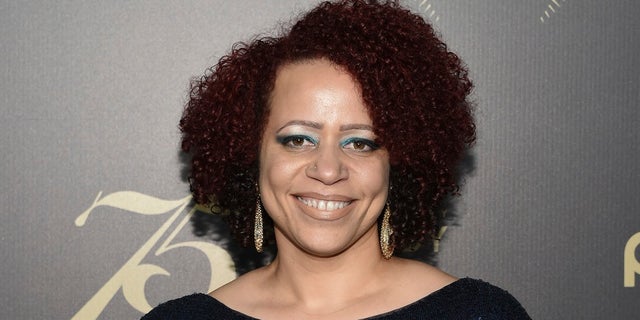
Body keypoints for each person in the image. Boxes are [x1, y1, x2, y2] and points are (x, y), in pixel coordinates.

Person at [143, 0, 531, 319]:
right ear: (251, 153)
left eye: (360, 143)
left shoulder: (478, 313)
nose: (328, 170)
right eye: (298, 139)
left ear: (398, 162)